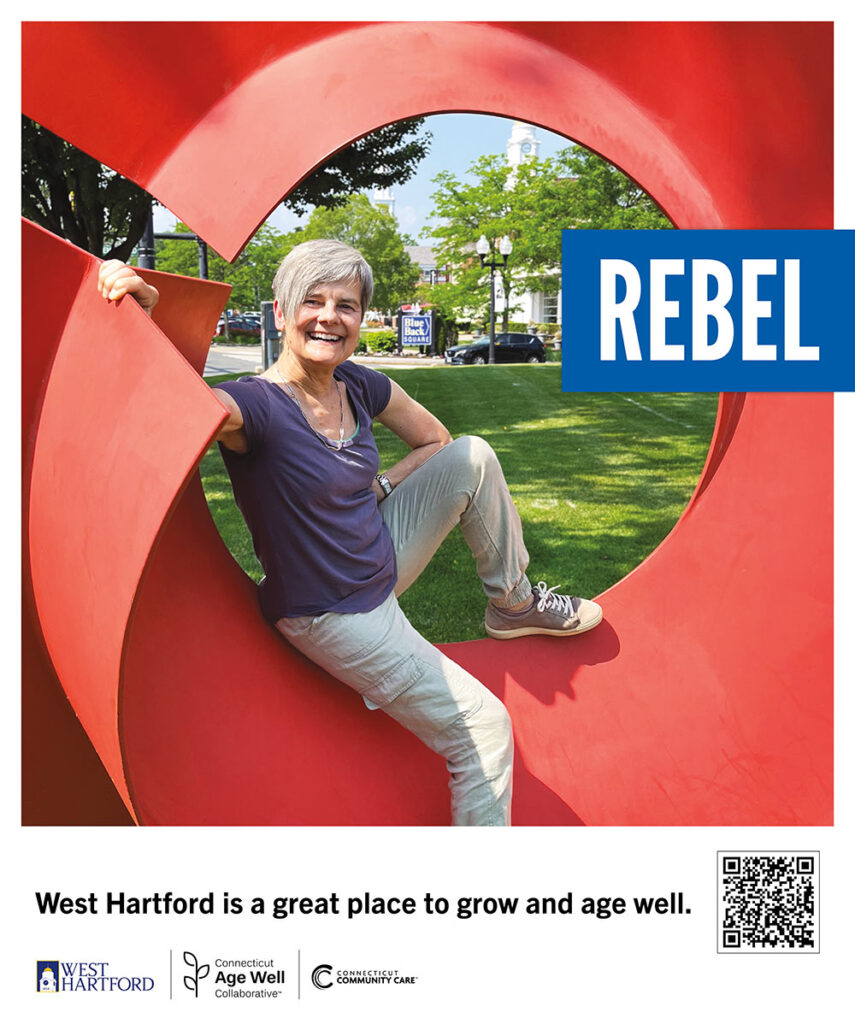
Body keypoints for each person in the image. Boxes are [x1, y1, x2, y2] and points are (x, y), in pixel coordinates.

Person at [97, 240, 602, 826]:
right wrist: (145, 317)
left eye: (347, 304)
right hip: (334, 613)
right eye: (312, 301)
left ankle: (511, 603)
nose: (330, 316)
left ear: (361, 320)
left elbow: (436, 440)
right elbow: (174, 408)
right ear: (282, 313)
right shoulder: (251, 406)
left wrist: (382, 487)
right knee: (484, 730)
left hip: (382, 559)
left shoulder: (356, 385)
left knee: (472, 455)